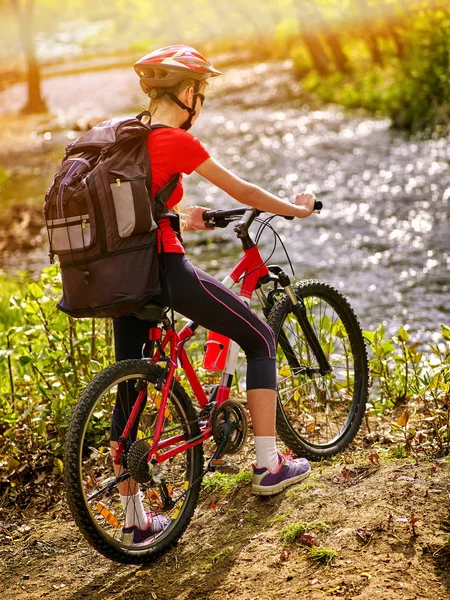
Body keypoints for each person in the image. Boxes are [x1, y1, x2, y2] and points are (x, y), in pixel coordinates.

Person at [112, 45, 316, 542]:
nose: (198, 102)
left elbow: (134, 207)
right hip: (164, 269)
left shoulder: (123, 138)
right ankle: (269, 466)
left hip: (120, 276)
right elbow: (243, 191)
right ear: (187, 94)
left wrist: (184, 215)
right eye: (198, 94)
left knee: (131, 391)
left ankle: (136, 521)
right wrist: (296, 209)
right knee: (262, 337)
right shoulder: (176, 140)